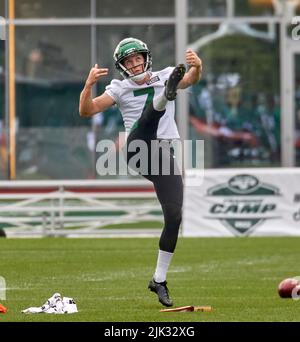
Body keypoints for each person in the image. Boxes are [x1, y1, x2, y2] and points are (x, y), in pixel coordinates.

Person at [79, 37, 202, 307]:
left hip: (163, 154)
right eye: (128, 61)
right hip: (138, 149)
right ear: (122, 66)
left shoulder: (165, 73)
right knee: (147, 123)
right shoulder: (119, 88)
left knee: (174, 215)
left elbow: (190, 79)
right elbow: (86, 110)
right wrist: (88, 85)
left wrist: (198, 66)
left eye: (137, 58)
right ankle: (163, 99)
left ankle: (159, 279)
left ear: (146, 58)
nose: (134, 64)